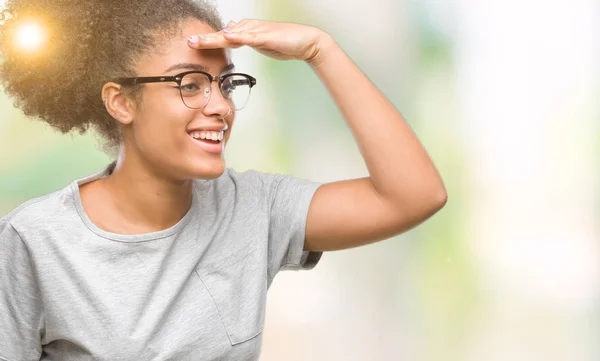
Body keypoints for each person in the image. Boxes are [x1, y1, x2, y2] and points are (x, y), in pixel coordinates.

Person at [0, 0, 447, 360]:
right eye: (190, 84)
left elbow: (414, 195)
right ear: (121, 102)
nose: (221, 106)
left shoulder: (254, 209)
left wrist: (320, 51)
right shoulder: (35, 238)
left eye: (226, 83)